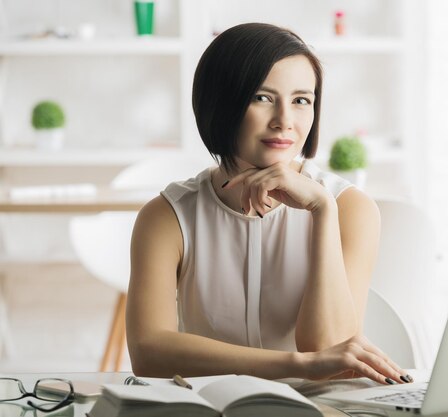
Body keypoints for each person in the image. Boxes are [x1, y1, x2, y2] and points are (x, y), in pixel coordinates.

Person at [126, 22, 412, 385]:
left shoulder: (349, 208)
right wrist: (296, 366)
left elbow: (329, 347)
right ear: (220, 103)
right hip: (212, 405)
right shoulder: (167, 216)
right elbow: (148, 352)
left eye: (301, 100)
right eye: (262, 98)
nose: (285, 122)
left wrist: (322, 211)